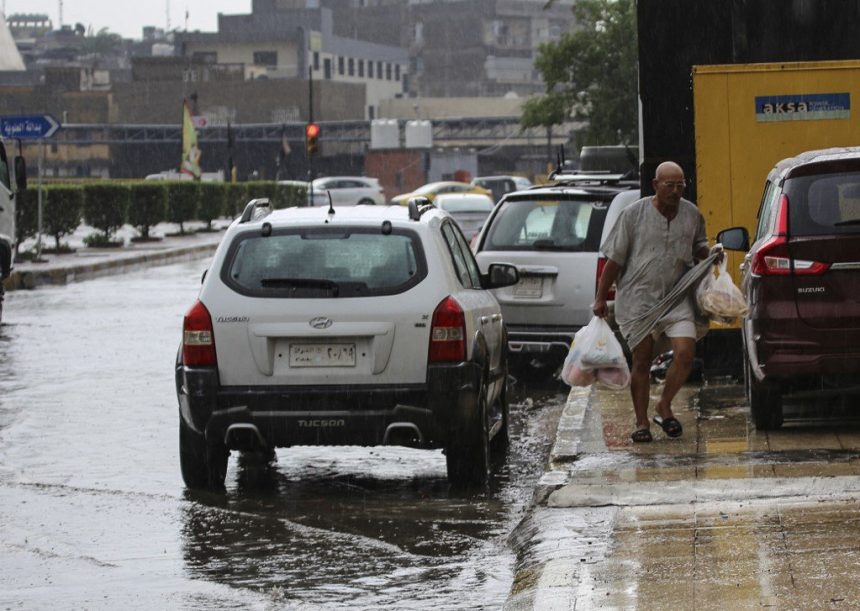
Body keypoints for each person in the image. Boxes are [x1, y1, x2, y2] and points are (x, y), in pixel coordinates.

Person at [592, 161, 720, 443]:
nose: (675, 191)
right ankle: (641, 422)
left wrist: (710, 255)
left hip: (676, 296)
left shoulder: (692, 214)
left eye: (680, 185)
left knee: (686, 353)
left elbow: (698, 246)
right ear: (655, 185)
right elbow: (614, 260)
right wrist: (600, 297)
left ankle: (664, 405)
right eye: (669, 185)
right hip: (638, 300)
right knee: (642, 359)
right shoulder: (633, 215)